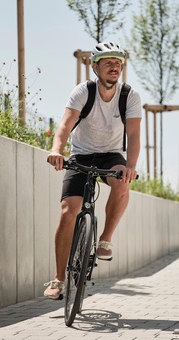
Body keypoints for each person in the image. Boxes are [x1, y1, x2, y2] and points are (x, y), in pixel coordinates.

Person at [44, 42, 142, 300]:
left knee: (122, 181)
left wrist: (131, 166)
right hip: (81, 154)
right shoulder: (83, 91)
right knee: (68, 211)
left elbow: (133, 134)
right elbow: (65, 125)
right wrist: (57, 150)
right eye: (108, 62)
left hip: (111, 156)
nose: (114, 66)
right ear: (95, 66)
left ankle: (105, 240)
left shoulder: (129, 96)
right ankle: (58, 279)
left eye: (118, 62)